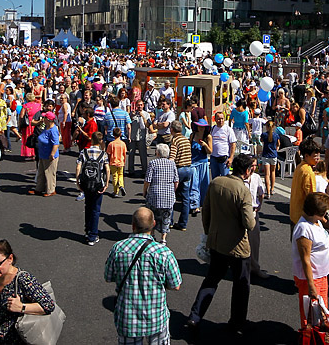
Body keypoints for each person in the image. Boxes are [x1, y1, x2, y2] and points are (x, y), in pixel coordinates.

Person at [187, 154, 256, 335]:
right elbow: (249, 223)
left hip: (217, 241)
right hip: (238, 246)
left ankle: (195, 316)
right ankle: (237, 322)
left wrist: (209, 232)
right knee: (241, 285)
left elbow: (206, 211)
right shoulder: (243, 190)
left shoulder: (216, 182)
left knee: (211, 280)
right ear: (247, 170)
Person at [104, 207, 182, 345]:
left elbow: (108, 276)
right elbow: (175, 285)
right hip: (156, 317)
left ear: (133, 226)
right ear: (153, 225)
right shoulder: (164, 252)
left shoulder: (118, 248)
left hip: (128, 318)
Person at [0, 239, 56, 345]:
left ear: (10, 259)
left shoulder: (23, 279)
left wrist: (21, 307)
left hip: (17, 340)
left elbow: (49, 305)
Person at [293, 192, 329, 328]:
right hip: (311, 278)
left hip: (321, 275)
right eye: (323, 213)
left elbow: (317, 245)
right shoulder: (304, 229)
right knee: (311, 315)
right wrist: (311, 286)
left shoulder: (315, 222)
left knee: (321, 312)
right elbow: (305, 259)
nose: (325, 216)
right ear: (314, 212)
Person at [77, 131, 110, 245]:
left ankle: (87, 230)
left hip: (86, 183)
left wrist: (78, 181)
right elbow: (107, 169)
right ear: (100, 141)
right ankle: (93, 235)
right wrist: (106, 183)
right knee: (96, 209)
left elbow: (78, 166)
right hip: (97, 183)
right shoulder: (103, 154)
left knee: (88, 206)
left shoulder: (84, 152)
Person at [144, 143, 179, 245]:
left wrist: (145, 191)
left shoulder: (153, 163)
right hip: (168, 195)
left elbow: (148, 180)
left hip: (155, 194)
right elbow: (176, 181)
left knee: (153, 215)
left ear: (157, 153)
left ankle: (153, 235)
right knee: (166, 217)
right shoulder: (172, 164)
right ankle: (163, 238)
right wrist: (173, 191)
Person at [244, 158, 268, 278]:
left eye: (255, 165)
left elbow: (261, 193)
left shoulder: (256, 177)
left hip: (253, 212)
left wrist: (259, 205)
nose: (253, 168)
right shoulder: (239, 178)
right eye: (251, 165)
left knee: (254, 242)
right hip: (241, 212)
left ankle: (254, 268)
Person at [289, 139, 320, 229]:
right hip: (303, 217)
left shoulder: (300, 166)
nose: (318, 159)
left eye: (318, 156)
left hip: (294, 213)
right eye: (315, 157)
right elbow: (311, 195)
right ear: (306, 156)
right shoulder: (308, 172)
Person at [169, 121, 193, 230]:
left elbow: (172, 157)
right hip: (188, 168)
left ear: (172, 130)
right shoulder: (186, 140)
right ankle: (183, 223)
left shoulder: (175, 140)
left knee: (171, 195)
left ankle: (169, 221)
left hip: (179, 169)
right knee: (185, 198)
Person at [187, 118, 212, 220]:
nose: (200, 128)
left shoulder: (208, 137)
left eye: (202, 126)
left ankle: (203, 203)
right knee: (194, 184)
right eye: (199, 126)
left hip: (203, 163)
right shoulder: (192, 135)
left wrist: (205, 145)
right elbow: (189, 148)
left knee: (203, 185)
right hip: (193, 163)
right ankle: (194, 205)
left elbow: (210, 151)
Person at [34, 112, 60, 197]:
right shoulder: (46, 127)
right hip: (43, 154)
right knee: (41, 172)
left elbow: (56, 143)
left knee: (49, 173)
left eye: (44, 118)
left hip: (49, 155)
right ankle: (39, 188)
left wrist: (52, 154)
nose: (42, 119)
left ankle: (50, 190)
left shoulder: (53, 130)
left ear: (48, 120)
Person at [128, 100, 152, 177]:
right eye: (138, 105)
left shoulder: (146, 114)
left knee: (143, 154)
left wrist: (143, 117)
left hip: (142, 137)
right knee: (131, 154)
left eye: (141, 105)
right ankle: (131, 170)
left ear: (143, 105)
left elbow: (148, 125)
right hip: (133, 136)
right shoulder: (132, 114)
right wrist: (132, 116)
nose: (140, 107)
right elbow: (129, 124)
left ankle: (144, 171)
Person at [209, 112, 237, 179]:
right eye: (218, 119)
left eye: (222, 119)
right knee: (215, 179)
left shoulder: (228, 129)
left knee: (225, 179)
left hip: (224, 159)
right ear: (215, 119)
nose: (221, 121)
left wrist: (231, 158)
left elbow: (233, 144)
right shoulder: (212, 129)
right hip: (213, 158)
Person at [260, 120, 282, 197]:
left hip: (266, 155)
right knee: (273, 172)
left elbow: (261, 140)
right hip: (273, 155)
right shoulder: (276, 135)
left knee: (267, 174)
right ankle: (272, 189)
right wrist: (277, 148)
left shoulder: (264, 135)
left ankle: (268, 191)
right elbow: (278, 144)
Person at [107, 127, 128, 197]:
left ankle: (116, 191)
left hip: (113, 162)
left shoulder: (111, 144)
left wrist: (109, 161)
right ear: (121, 134)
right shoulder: (123, 144)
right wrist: (124, 161)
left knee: (114, 176)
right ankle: (121, 185)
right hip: (121, 162)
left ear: (113, 135)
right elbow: (124, 154)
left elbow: (109, 153)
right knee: (121, 175)